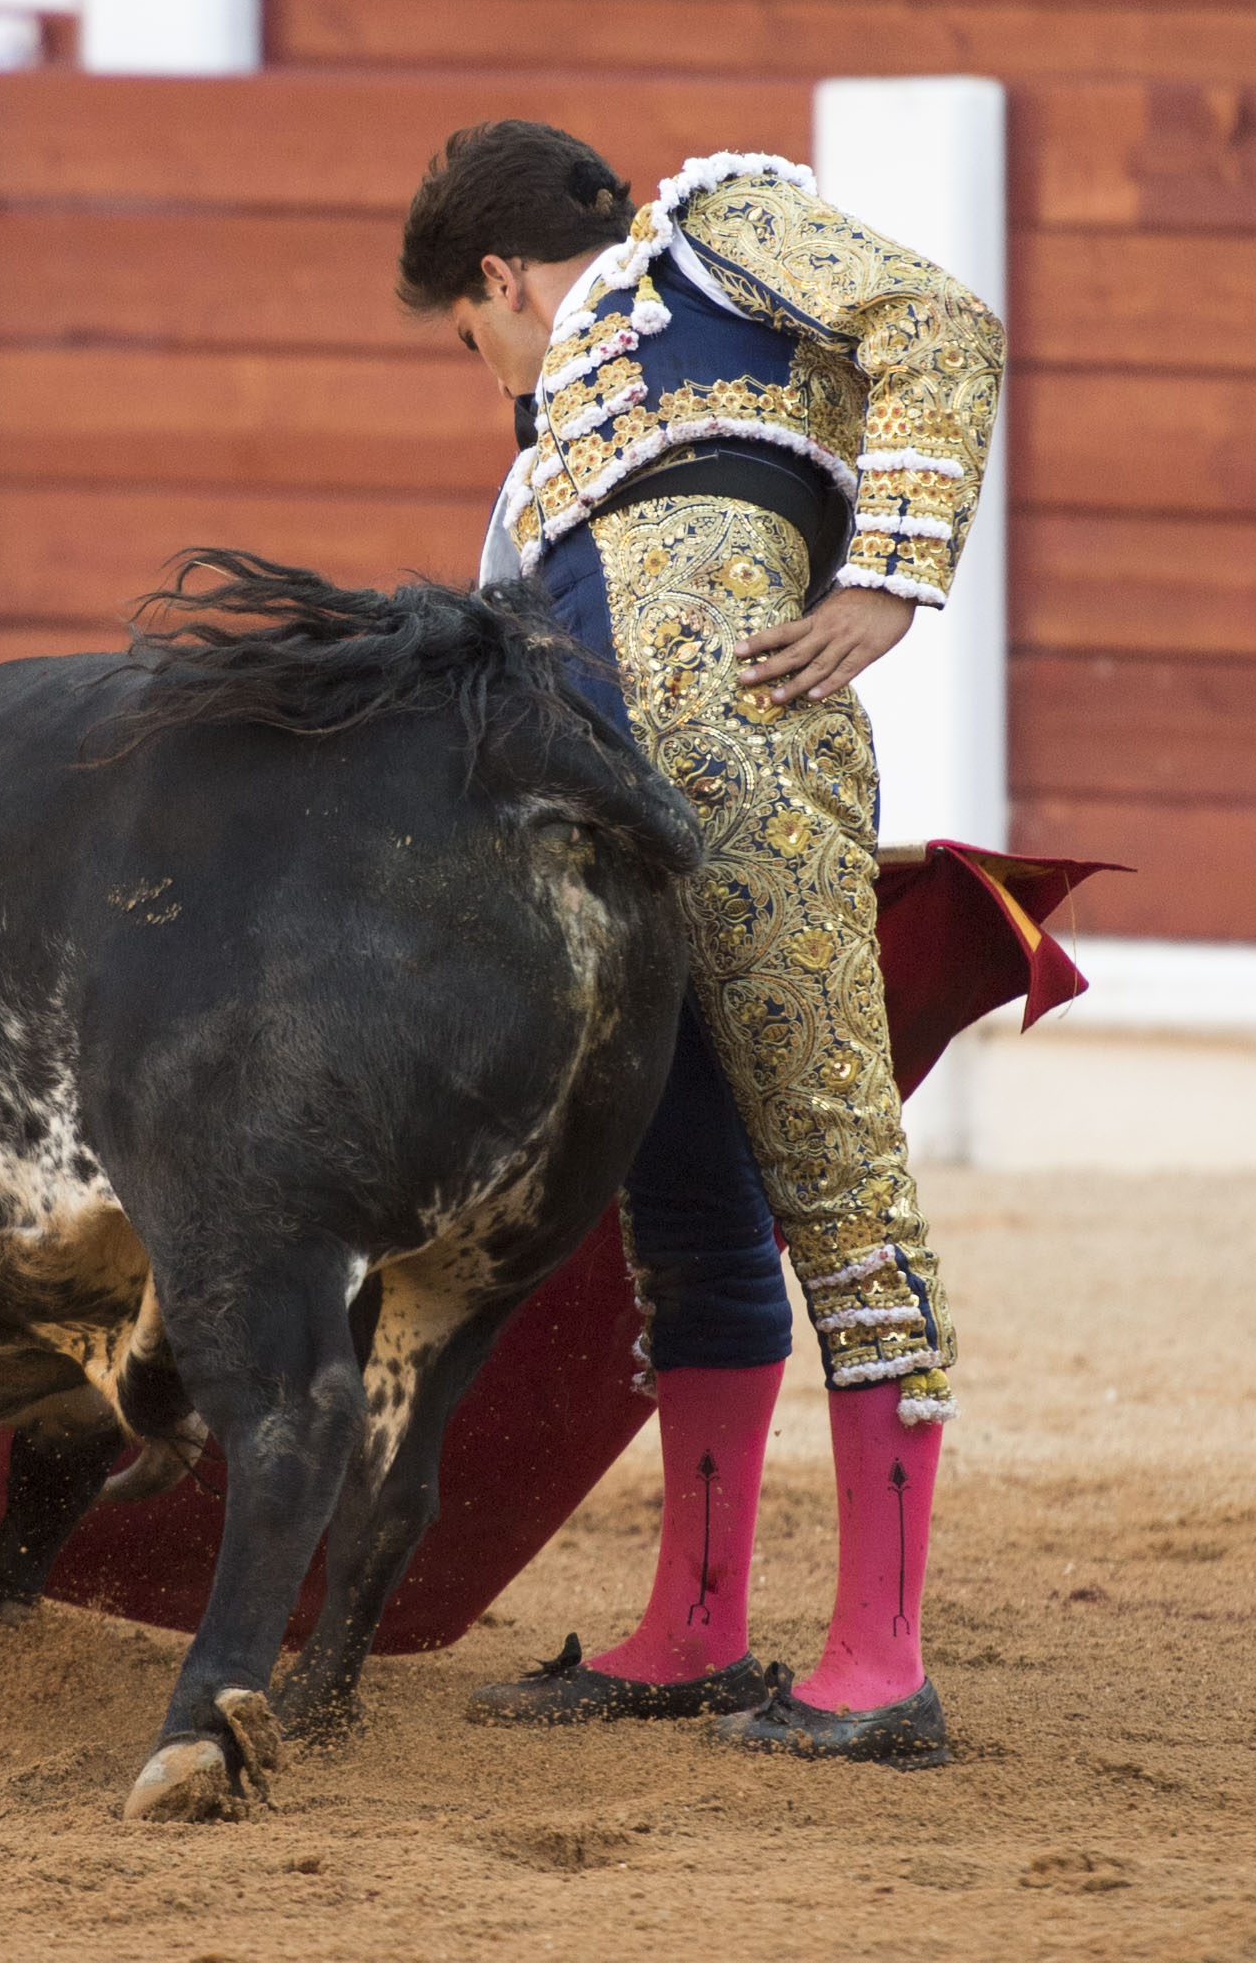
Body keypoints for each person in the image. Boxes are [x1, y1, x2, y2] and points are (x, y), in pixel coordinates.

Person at [396, 121, 1002, 1764]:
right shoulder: (535, 491)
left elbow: (937, 322)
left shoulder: (709, 231)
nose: (495, 373)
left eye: (473, 340)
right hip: (584, 818)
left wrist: (885, 576)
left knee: (827, 1173)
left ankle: (879, 1660)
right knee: (682, 1207)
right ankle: (695, 1627)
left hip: (744, 754)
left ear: (501, 282)